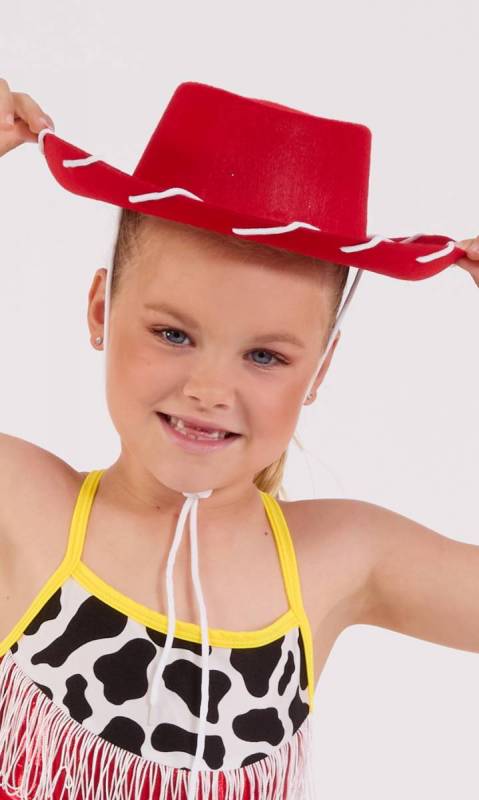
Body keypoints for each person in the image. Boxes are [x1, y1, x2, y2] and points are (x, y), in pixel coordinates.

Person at [0, 78, 478, 800]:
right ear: (101, 310)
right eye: (173, 334)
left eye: (264, 356)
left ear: (319, 371)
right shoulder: (26, 504)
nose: (210, 389)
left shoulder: (340, 557)